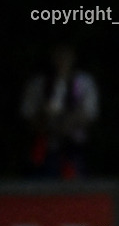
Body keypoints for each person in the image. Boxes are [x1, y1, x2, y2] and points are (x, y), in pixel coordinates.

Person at [20, 42, 100, 179]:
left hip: (74, 146)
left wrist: (69, 122)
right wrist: (45, 120)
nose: (62, 60)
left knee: (76, 188)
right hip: (45, 147)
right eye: (59, 56)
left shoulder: (84, 82)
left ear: (73, 58)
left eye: (66, 56)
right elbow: (28, 113)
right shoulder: (38, 83)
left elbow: (90, 113)